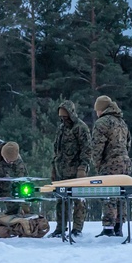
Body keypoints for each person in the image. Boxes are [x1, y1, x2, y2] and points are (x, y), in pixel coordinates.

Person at [91, 95, 132, 237]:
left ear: (100, 109)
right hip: (125, 163)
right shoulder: (121, 122)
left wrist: (97, 164)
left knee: (108, 194)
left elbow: (97, 147)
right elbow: (128, 143)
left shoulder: (102, 123)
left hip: (110, 163)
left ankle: (108, 228)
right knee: (121, 194)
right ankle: (118, 227)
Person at [50, 100, 92, 237]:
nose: (63, 118)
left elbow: (87, 149)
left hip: (76, 172)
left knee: (78, 200)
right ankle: (60, 227)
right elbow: (56, 150)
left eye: (65, 116)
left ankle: (77, 229)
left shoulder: (81, 128)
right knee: (61, 201)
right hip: (61, 171)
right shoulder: (61, 128)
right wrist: (54, 169)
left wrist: (82, 168)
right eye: (61, 116)